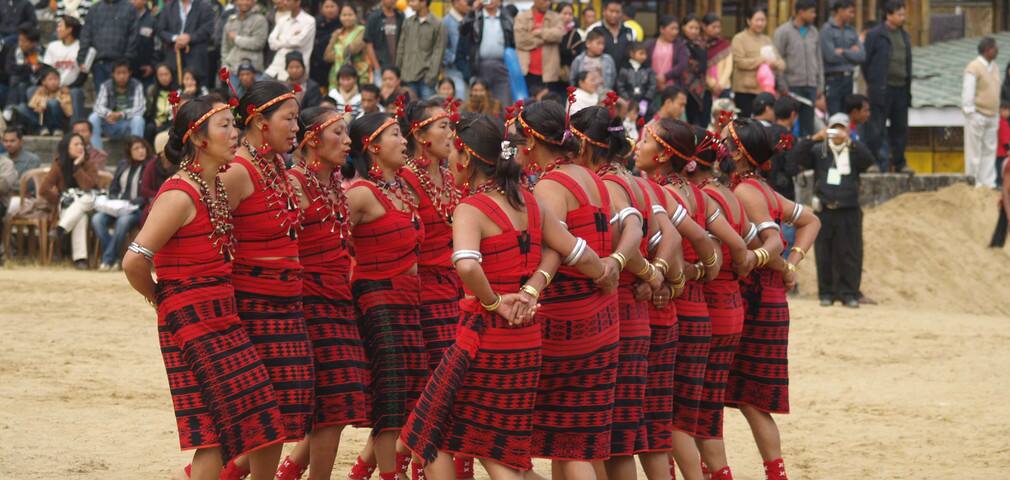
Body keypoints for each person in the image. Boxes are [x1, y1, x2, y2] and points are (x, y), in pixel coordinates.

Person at [122, 94, 288, 480]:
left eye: (235, 124)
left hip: (221, 314)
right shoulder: (180, 194)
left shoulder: (212, 186)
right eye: (225, 126)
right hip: (192, 320)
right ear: (198, 139)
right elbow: (134, 261)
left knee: (260, 417)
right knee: (214, 433)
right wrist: (160, 296)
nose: (235, 133)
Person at [513, 99, 620, 480]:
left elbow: (557, 249)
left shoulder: (550, 186)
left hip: (569, 320)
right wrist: (609, 267)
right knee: (580, 442)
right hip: (604, 316)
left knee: (568, 443)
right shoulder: (590, 176)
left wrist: (533, 288)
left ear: (531, 141)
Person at [217, 81, 316, 478]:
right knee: (258, 416)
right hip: (252, 308)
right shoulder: (238, 172)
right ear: (259, 121)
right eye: (289, 119)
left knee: (282, 412)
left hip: (287, 304)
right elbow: (205, 232)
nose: (297, 127)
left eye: (297, 118)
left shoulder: (277, 166)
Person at [569, 104, 670, 480]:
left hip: (617, 315)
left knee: (606, 441)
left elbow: (630, 232)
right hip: (638, 317)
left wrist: (631, 266)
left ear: (583, 145)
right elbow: (670, 237)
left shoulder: (607, 185)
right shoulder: (638, 182)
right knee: (624, 438)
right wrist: (659, 273)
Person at [273, 105, 369, 480]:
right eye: (339, 133)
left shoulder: (336, 186)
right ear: (312, 139)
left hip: (338, 301)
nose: (348, 142)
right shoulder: (293, 180)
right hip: (306, 302)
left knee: (337, 405)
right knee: (300, 406)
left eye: (348, 134)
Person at [726, 117, 820, 480]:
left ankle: (774, 472)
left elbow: (770, 241)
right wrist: (791, 265)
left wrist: (783, 265)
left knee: (750, 397)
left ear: (738, 153)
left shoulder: (747, 193)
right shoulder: (762, 190)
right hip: (766, 297)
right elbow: (811, 221)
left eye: (725, 143)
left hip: (757, 300)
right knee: (745, 396)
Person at [343, 111, 426, 480]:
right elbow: (330, 239)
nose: (404, 140)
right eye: (395, 134)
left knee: (412, 392)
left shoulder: (404, 188)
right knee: (390, 396)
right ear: (372, 146)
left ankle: (369, 471)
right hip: (377, 301)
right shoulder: (361, 193)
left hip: (409, 302)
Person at [642, 117, 721, 480]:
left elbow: (688, 243)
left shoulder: (665, 194)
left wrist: (673, 279)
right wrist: (702, 271)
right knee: (681, 420)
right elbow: (713, 247)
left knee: (669, 422)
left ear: (662, 155)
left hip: (678, 313)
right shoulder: (696, 193)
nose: (636, 145)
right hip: (697, 312)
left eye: (645, 140)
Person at [792, 112, 873, 307]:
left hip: (848, 208)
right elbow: (796, 157)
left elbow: (869, 160)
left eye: (841, 128)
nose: (837, 132)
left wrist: (851, 141)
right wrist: (813, 138)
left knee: (850, 253)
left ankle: (849, 293)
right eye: (833, 127)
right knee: (824, 252)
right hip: (825, 208)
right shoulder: (820, 150)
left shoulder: (853, 150)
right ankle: (826, 293)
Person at [862, 0, 913, 173]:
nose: (902, 18)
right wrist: (874, 83)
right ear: (889, 15)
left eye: (903, 14)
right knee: (876, 128)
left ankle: (900, 163)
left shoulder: (904, 36)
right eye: (899, 14)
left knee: (900, 128)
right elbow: (865, 62)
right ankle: (873, 162)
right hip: (882, 89)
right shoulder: (875, 35)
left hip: (901, 88)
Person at [91, 136, 151, 270]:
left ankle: (107, 260)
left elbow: (148, 193)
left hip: (137, 209)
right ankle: (114, 257)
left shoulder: (150, 166)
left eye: (142, 147)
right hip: (118, 206)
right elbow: (114, 187)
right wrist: (113, 199)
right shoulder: (123, 164)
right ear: (129, 151)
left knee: (123, 222)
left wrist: (133, 202)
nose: (141, 151)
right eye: (136, 148)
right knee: (97, 219)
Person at [42, 133, 99, 269]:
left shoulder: (89, 164)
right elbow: (43, 189)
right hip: (69, 207)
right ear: (66, 148)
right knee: (80, 217)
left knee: (86, 198)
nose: (80, 147)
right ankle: (80, 260)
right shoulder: (59, 164)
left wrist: (77, 168)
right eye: (76, 144)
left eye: (82, 144)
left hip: (90, 205)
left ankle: (61, 228)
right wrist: (60, 198)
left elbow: (88, 187)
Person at [773, 0, 823, 136]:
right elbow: (777, 60)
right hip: (791, 87)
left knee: (808, 126)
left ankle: (805, 154)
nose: (814, 15)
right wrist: (782, 86)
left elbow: (819, 60)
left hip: (810, 86)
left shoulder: (814, 32)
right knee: (789, 125)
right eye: (812, 12)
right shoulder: (783, 31)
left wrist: (820, 85)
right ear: (801, 12)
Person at [731, 5, 784, 118]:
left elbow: (782, 64)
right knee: (744, 123)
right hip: (745, 91)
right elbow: (739, 62)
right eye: (757, 20)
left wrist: (774, 64)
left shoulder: (767, 40)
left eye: (763, 20)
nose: (760, 23)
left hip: (763, 91)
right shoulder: (739, 38)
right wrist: (761, 61)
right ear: (749, 21)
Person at [962, 37, 1001, 190]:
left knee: (989, 150)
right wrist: (970, 111)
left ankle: (988, 183)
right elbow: (968, 90)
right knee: (974, 150)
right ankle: (974, 182)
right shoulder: (974, 67)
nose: (997, 50)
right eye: (994, 48)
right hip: (977, 113)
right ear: (987, 50)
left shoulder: (995, 67)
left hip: (992, 114)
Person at [460, 0, 514, 104]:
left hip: (502, 65)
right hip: (480, 65)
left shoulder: (506, 17)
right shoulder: (476, 17)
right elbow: (463, 30)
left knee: (503, 102)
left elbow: (513, 42)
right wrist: (472, 11)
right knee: (481, 104)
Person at [78, 0, 137, 91]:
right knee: (102, 98)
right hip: (99, 63)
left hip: (121, 64)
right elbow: (86, 35)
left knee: (120, 99)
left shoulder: (129, 8)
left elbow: (133, 36)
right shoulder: (94, 9)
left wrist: (127, 60)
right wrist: (82, 58)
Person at [88, 60, 146, 151]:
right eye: (118, 73)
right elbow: (97, 107)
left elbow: (140, 108)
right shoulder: (106, 85)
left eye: (124, 73)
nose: (122, 76)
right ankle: (96, 153)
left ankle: (136, 152)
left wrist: (121, 114)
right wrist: (109, 114)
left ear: (129, 73)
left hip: (127, 125)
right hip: (110, 124)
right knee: (93, 117)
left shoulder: (136, 85)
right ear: (113, 74)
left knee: (138, 119)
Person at [156, 0, 216, 86]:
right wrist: (175, 38)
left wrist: (189, 38)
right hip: (174, 59)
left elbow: (208, 28)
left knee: (197, 94)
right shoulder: (168, 7)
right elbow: (160, 30)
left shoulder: (204, 6)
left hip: (196, 59)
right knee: (175, 93)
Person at [396, 0, 446, 100]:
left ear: (423, 2)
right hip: (407, 77)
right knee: (409, 111)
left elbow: (439, 52)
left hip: (426, 78)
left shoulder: (438, 24)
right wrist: (398, 72)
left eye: (413, 1)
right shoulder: (408, 22)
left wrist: (431, 76)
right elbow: (401, 47)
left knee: (427, 111)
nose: (410, 4)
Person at [821, 0, 864, 115]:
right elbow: (830, 56)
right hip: (833, 79)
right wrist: (851, 52)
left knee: (847, 116)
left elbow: (861, 56)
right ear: (840, 10)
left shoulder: (852, 30)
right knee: (835, 116)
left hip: (848, 79)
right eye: (850, 12)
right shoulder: (827, 30)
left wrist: (843, 51)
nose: (852, 15)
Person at [514, 0, 565, 95]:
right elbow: (521, 41)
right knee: (529, 105)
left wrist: (539, 32)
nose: (548, 3)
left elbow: (559, 35)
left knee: (549, 106)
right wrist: (546, 39)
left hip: (550, 73)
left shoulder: (556, 17)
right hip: (528, 71)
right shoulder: (522, 17)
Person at [43, 16, 86, 123]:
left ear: (69, 29)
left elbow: (83, 74)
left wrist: (69, 87)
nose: (57, 29)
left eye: (60, 26)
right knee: (32, 91)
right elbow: (46, 70)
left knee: (76, 92)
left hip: (71, 88)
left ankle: (75, 126)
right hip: (52, 88)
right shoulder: (53, 46)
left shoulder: (81, 47)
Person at [265, 0, 315, 81]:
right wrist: (291, 37)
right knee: (259, 89)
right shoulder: (282, 20)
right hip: (275, 67)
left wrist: (281, 38)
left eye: (288, 0)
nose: (284, 2)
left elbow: (298, 42)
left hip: (295, 71)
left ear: (298, 2)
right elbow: (271, 43)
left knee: (291, 93)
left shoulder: (309, 21)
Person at [13, 67, 72, 136]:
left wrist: (53, 101)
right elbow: (32, 105)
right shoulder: (40, 91)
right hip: (42, 119)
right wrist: (40, 106)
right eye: (50, 79)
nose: (53, 82)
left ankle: (56, 129)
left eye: (56, 79)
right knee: (22, 107)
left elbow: (69, 111)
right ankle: (42, 128)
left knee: (53, 103)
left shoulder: (63, 92)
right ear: (44, 82)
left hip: (58, 120)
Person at [323, 3, 368, 89]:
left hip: (357, 73)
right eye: (344, 15)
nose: (347, 18)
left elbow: (353, 50)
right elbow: (327, 56)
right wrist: (341, 49)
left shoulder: (362, 31)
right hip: (336, 75)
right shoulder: (337, 33)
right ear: (340, 17)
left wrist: (337, 52)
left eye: (350, 15)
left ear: (356, 16)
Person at [1, 26, 43, 118]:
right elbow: (9, 68)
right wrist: (28, 67)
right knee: (17, 80)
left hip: (36, 82)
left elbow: (40, 70)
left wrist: (24, 67)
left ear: (33, 43)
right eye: (20, 40)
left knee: (18, 81)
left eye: (24, 41)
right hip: (17, 80)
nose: (21, 43)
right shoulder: (15, 50)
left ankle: (11, 107)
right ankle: (12, 108)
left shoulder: (40, 52)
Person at [221, 0, 269, 75]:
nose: (244, 2)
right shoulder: (231, 21)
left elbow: (258, 43)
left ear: (253, 2)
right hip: (233, 69)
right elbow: (225, 47)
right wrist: (224, 66)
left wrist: (236, 38)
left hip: (254, 69)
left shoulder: (260, 20)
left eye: (247, 0)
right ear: (235, 2)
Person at [681, 14, 711, 127]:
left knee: (702, 123)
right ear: (683, 27)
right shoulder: (680, 45)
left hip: (701, 87)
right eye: (691, 28)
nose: (694, 31)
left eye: (696, 28)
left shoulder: (702, 44)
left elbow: (703, 66)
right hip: (684, 88)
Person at [647, 15, 688, 91]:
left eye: (677, 29)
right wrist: (655, 78)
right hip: (652, 87)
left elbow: (682, 64)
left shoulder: (680, 46)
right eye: (672, 29)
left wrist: (665, 76)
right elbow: (644, 64)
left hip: (673, 88)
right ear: (662, 29)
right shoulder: (649, 44)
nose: (676, 32)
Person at [591, 0, 636, 70]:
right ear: (604, 11)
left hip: (624, 77)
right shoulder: (595, 30)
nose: (614, 15)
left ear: (622, 13)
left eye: (617, 12)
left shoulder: (629, 31)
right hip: (602, 75)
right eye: (611, 11)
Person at [617, 42, 656, 119]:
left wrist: (646, 100)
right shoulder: (624, 69)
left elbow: (652, 85)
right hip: (629, 103)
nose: (644, 57)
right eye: (641, 54)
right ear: (632, 54)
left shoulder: (648, 69)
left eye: (645, 54)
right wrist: (627, 99)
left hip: (645, 103)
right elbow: (620, 86)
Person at [138, 150, 177, 224]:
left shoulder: (179, 164)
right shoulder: (152, 164)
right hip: (156, 201)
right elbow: (144, 190)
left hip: (175, 202)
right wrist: (162, 195)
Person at [442, 0, 470, 101]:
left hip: (470, 68)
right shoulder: (446, 21)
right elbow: (442, 47)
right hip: (453, 69)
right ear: (455, 2)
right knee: (459, 98)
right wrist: (454, 58)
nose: (468, 3)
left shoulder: (470, 19)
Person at [311, 0, 341, 88]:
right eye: (327, 7)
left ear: (338, 8)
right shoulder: (315, 23)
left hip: (334, 66)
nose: (329, 10)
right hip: (316, 67)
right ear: (322, 9)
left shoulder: (342, 24)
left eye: (332, 6)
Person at [703, 13, 733, 100]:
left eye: (719, 27)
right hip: (707, 89)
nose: (717, 30)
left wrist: (720, 84)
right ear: (704, 27)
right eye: (713, 27)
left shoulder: (725, 44)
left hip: (724, 87)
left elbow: (729, 67)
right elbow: (701, 68)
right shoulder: (700, 46)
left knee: (726, 113)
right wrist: (712, 84)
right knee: (707, 113)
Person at [145, 64, 177, 141]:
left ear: (171, 75)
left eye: (166, 74)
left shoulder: (178, 90)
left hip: (172, 123)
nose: (164, 78)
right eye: (160, 75)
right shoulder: (152, 90)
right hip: (156, 123)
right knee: (149, 128)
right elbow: (148, 112)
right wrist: (155, 121)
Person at [556, 2, 583, 89]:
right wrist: (569, 51)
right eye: (564, 13)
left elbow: (577, 54)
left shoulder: (575, 34)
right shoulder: (551, 31)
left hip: (567, 75)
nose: (567, 17)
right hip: (550, 74)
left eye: (570, 14)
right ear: (557, 14)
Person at [130, 0, 157, 87]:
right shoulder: (124, 19)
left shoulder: (152, 21)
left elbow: (158, 46)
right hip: (127, 71)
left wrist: (152, 65)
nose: (132, 1)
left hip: (147, 71)